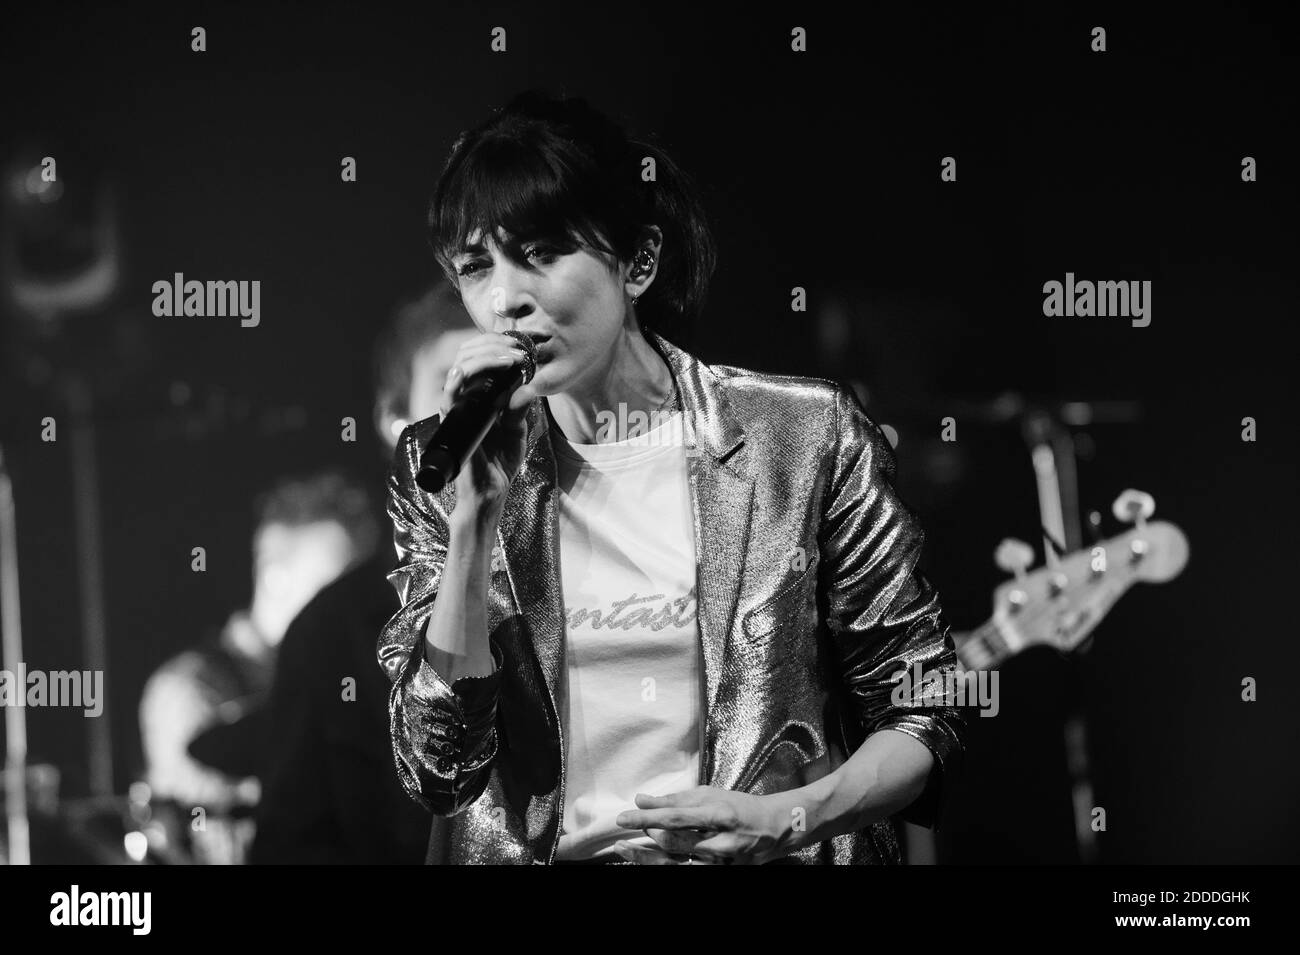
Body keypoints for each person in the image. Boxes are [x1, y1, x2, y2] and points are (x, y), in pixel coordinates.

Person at [377, 89, 967, 865]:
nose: (505, 297)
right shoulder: (444, 463)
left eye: (541, 253)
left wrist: (789, 818)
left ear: (639, 262)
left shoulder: (801, 436)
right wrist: (474, 519)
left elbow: (924, 701)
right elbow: (438, 768)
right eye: (476, 266)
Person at [250, 284, 475, 864]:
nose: (485, 410)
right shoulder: (330, 634)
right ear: (394, 421)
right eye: (458, 386)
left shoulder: (582, 578)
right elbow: (292, 846)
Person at [138, 471, 377, 864]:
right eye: (332, 592)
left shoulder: (335, 680)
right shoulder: (188, 688)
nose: (348, 612)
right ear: (275, 580)